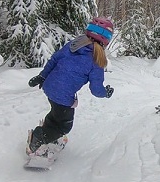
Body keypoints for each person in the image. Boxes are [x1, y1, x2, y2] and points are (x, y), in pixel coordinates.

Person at [26, 17, 115, 155]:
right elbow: (96, 89)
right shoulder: (97, 59)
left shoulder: (74, 44)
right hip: (64, 96)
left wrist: (42, 76)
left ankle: (48, 131)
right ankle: (39, 138)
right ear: (106, 39)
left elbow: (54, 59)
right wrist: (106, 92)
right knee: (65, 126)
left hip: (49, 86)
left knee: (56, 113)